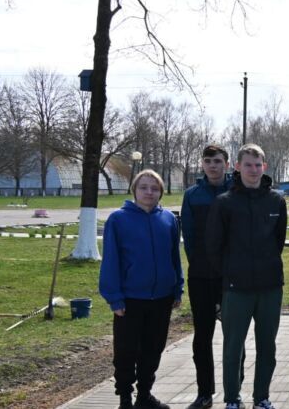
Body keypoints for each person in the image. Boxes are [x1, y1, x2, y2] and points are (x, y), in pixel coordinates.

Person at [206, 144, 288, 409]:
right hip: (236, 288)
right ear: (237, 167)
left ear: (264, 167)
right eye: (248, 165)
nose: (253, 170)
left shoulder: (276, 201)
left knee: (268, 347)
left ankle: (261, 397)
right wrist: (230, 275)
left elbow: (278, 241)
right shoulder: (224, 203)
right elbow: (214, 247)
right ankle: (232, 399)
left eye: (258, 165)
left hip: (270, 287)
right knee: (233, 348)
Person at [99, 169, 184, 409]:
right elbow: (111, 260)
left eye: (154, 188)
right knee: (126, 351)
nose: (149, 192)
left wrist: (177, 288)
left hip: (162, 298)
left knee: (153, 349)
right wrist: (114, 298)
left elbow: (174, 257)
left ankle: (144, 395)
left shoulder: (168, 219)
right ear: (134, 190)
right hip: (130, 299)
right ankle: (125, 398)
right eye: (144, 187)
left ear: (161, 192)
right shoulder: (118, 219)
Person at [180, 144, 232, 409]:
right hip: (201, 276)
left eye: (218, 161)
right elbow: (188, 236)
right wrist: (199, 263)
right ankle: (204, 392)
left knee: (234, 336)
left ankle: (233, 392)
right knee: (202, 337)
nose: (213, 165)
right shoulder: (192, 195)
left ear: (227, 163)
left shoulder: (236, 190)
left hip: (231, 278)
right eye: (209, 161)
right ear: (202, 164)